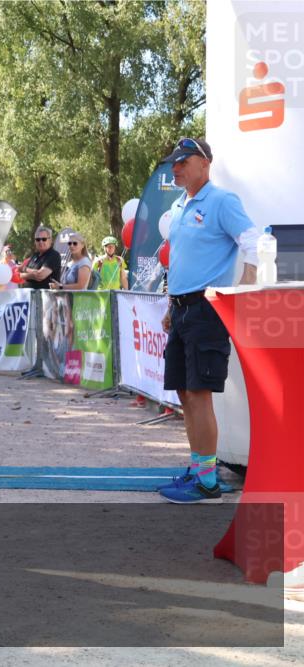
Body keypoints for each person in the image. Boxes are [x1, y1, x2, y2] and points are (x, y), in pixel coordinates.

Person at [155, 137, 259, 504]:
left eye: (183, 161)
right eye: (174, 162)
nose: (175, 168)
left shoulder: (222, 201)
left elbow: (253, 241)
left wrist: (243, 289)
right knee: (185, 394)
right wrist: (171, 306)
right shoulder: (179, 205)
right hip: (182, 309)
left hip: (207, 308)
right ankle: (200, 470)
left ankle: (207, 482)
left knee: (199, 395)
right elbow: (180, 260)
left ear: (204, 163)